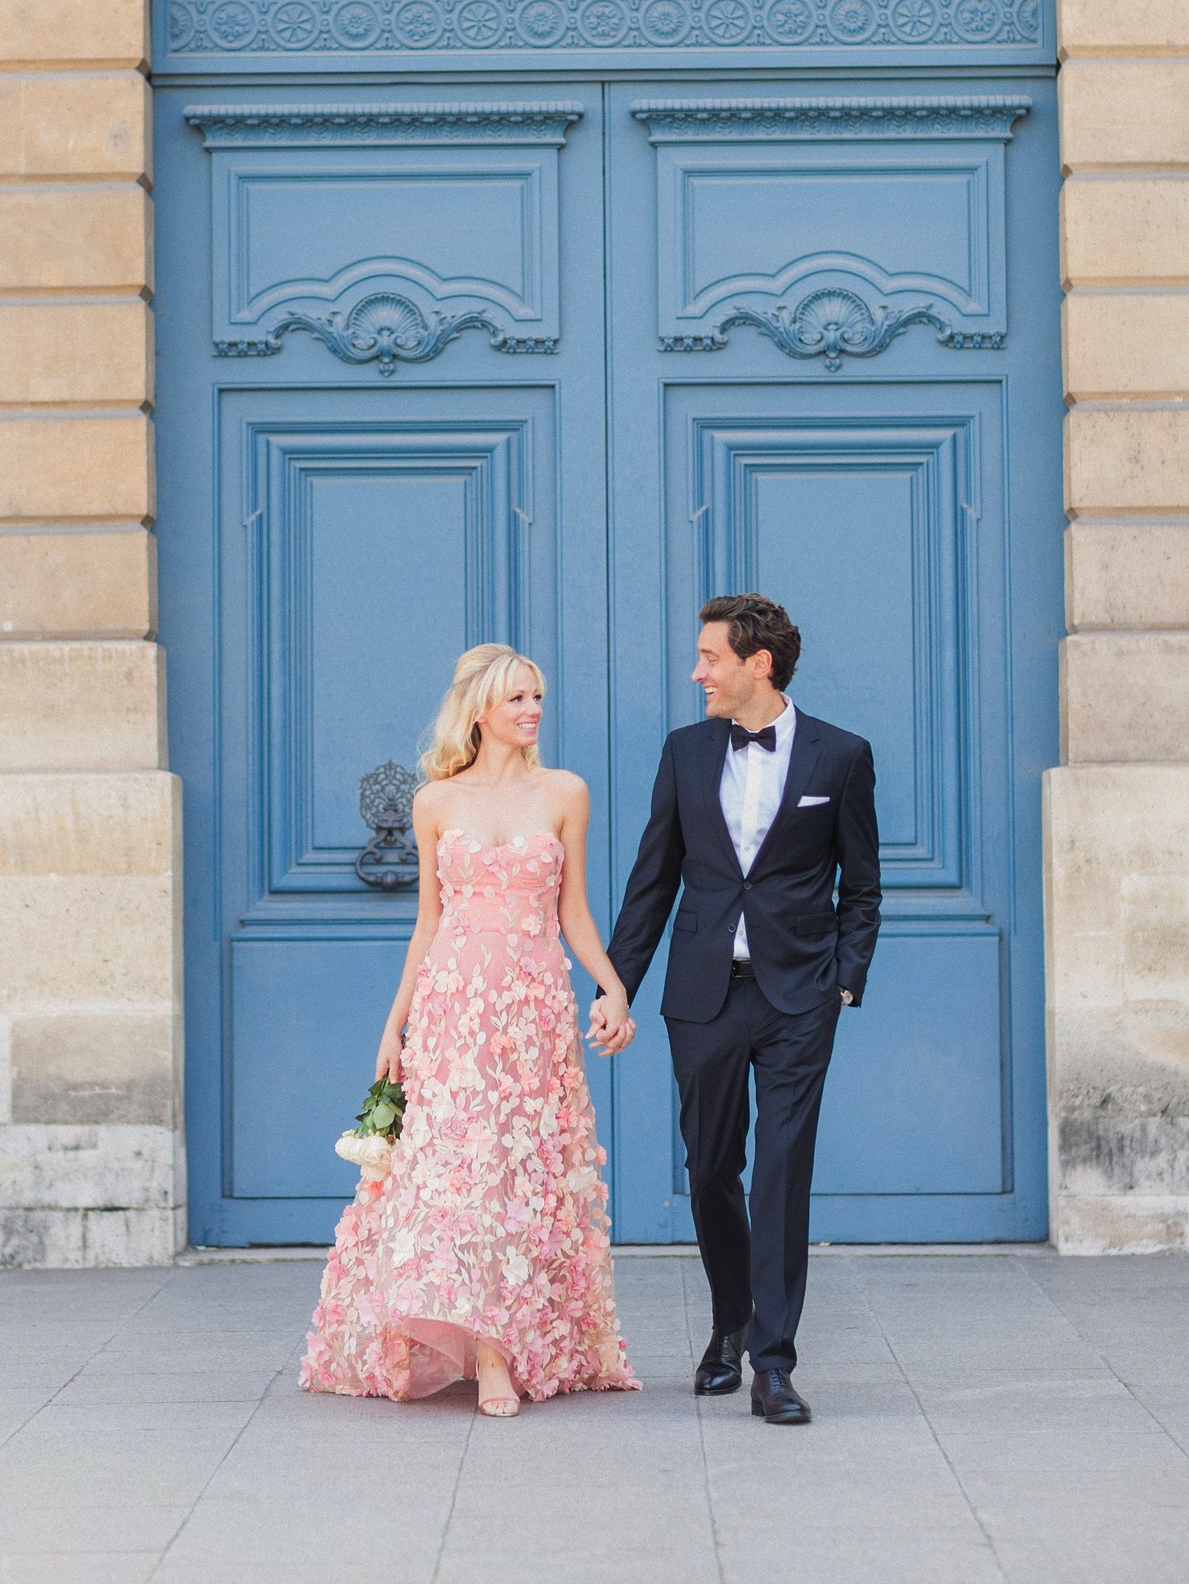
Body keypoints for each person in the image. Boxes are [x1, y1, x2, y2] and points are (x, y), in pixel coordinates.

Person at [301, 643, 640, 1417]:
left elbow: (574, 912)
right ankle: (481, 1351)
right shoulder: (435, 803)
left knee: (518, 1180)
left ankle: (509, 1346)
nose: (532, 711)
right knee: (462, 1176)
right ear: (480, 710)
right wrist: (395, 1028)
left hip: (530, 1014)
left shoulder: (565, 792)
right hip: (452, 1012)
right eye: (517, 699)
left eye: (537, 698)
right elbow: (427, 926)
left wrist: (613, 987)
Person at [594, 593, 881, 1425]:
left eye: (710, 658)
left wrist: (845, 980)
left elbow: (861, 887)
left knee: (784, 1172)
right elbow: (652, 881)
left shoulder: (842, 756)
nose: (697, 673)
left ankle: (773, 1364)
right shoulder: (685, 752)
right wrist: (618, 987)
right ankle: (730, 1321)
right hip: (705, 996)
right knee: (712, 1167)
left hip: (800, 998)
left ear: (759, 663)